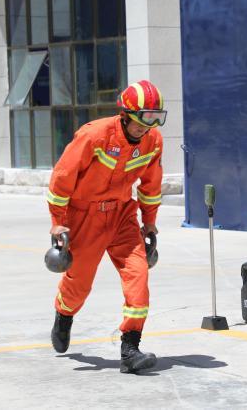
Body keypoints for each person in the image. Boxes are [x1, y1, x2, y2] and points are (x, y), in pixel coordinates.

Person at [46, 79, 166, 372]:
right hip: (85, 217)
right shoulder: (94, 135)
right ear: (125, 113)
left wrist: (149, 223)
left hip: (123, 216)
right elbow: (61, 179)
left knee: (138, 276)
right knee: (79, 284)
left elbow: (150, 186)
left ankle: (130, 348)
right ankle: (64, 315)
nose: (146, 126)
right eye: (142, 119)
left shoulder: (152, 142)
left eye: (154, 119)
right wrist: (58, 224)